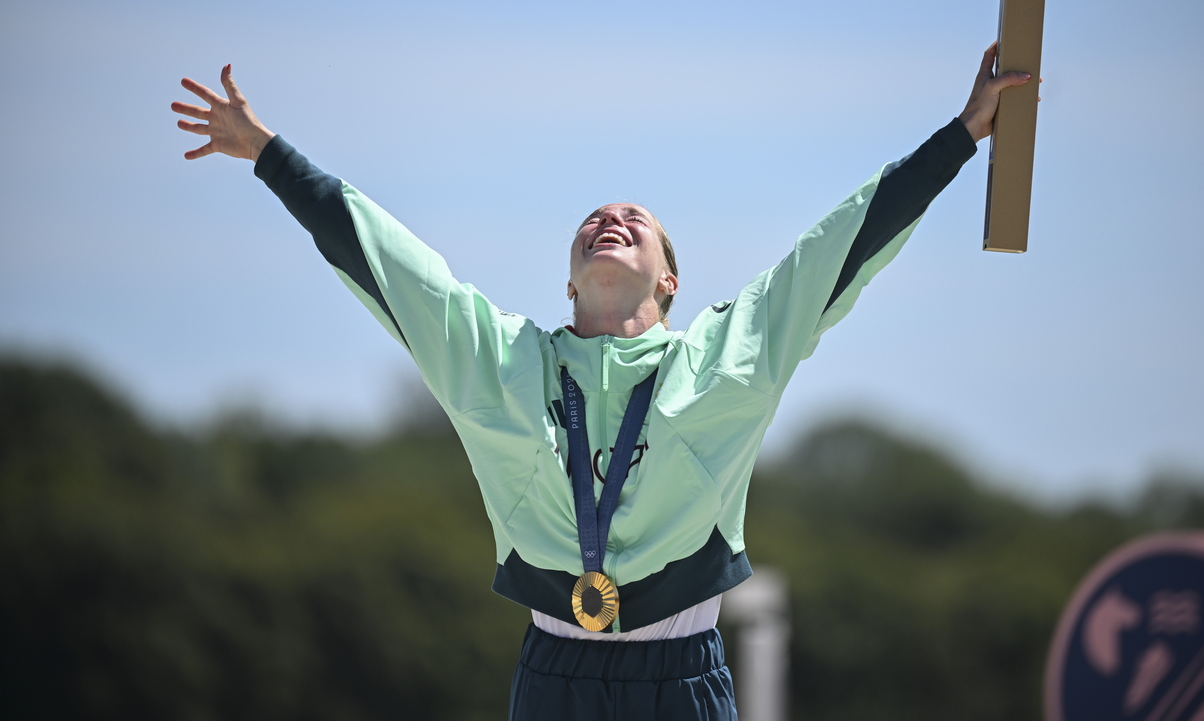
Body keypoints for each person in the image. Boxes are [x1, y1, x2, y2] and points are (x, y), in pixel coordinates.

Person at [171, 45, 1032, 720]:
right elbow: (384, 257)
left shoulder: (729, 356)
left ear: (670, 282)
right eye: (595, 220)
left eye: (638, 223)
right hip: (556, 681)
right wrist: (268, 154)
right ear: (571, 280)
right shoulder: (500, 362)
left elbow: (842, 243)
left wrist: (961, 135)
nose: (612, 220)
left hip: (682, 680)